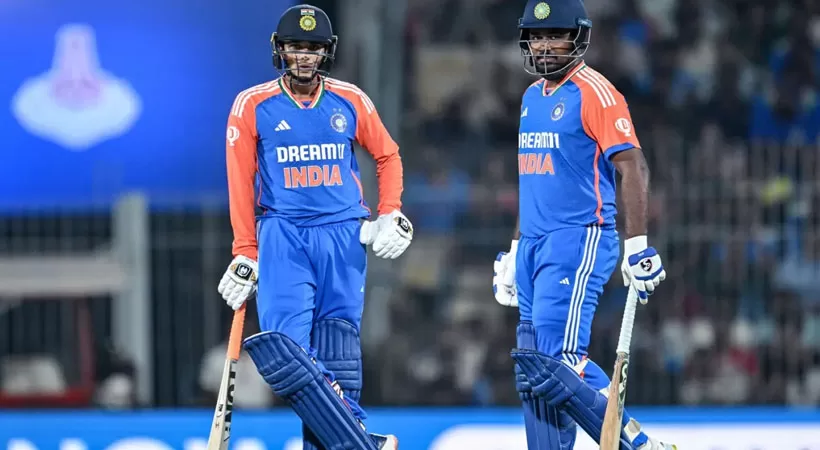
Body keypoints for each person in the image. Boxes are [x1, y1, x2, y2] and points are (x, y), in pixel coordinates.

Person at [217, 4, 413, 449]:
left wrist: (390, 211)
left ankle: (348, 439)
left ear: (326, 51)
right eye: (295, 47)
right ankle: (361, 435)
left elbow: (388, 155)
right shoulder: (252, 104)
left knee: (339, 354)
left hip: (344, 236)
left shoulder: (351, 98)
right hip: (284, 234)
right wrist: (245, 251)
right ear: (279, 49)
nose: (304, 56)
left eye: (313, 48)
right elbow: (239, 181)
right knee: (286, 354)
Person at [492, 1, 676, 449]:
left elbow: (633, 166)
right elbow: (534, 177)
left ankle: (639, 445)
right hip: (534, 244)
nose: (544, 45)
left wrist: (637, 245)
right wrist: (515, 251)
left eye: (555, 35)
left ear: (578, 38)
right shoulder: (531, 97)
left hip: (578, 239)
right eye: (537, 36)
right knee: (534, 367)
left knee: (558, 361)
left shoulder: (596, 92)